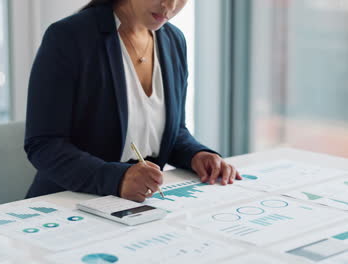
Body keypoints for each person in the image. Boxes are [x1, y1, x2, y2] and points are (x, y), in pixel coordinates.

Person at [24, 0, 242, 202]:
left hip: (137, 205)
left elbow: (170, 133)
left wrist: (197, 155)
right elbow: (44, 144)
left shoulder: (174, 40)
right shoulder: (68, 37)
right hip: (68, 203)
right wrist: (116, 179)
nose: (170, 5)